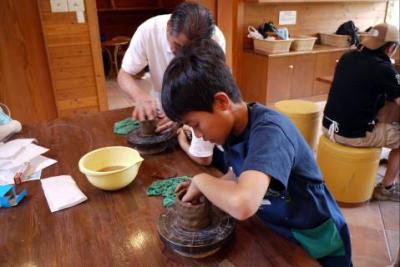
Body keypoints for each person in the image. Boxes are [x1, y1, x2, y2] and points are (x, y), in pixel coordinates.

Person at [161, 39, 352, 267]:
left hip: (314, 232)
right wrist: (214, 187)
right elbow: (241, 173)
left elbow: (244, 204)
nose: (198, 135)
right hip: (278, 226)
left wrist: (202, 181)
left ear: (222, 102)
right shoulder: (233, 129)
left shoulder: (271, 132)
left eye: (197, 124)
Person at [118, 2, 225, 165]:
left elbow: (209, 89)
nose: (182, 53)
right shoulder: (148, 31)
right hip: (162, 101)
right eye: (178, 45)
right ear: (168, 28)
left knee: (197, 159)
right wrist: (139, 96)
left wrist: (181, 114)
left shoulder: (215, 39)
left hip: (194, 104)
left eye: (190, 49)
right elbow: (124, 74)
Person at [322, 23, 400, 202]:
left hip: (328, 126)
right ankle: (386, 188)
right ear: (391, 48)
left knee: (381, 109)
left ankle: (380, 155)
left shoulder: (347, 57)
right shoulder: (383, 69)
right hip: (351, 135)